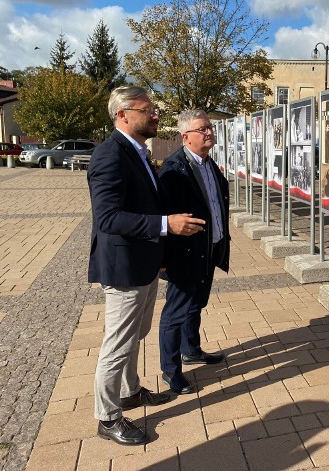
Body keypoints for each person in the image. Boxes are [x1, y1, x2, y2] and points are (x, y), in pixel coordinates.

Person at [88, 86, 206, 445]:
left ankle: (129, 391)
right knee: (117, 343)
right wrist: (166, 225)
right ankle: (107, 418)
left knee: (135, 335)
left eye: (154, 109)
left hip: (145, 265)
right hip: (124, 268)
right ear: (123, 115)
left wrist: (162, 257)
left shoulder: (138, 152)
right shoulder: (110, 155)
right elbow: (108, 217)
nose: (155, 115)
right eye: (147, 110)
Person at [158, 110, 230, 395]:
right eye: (203, 129)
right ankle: (171, 371)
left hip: (209, 248)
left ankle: (192, 350)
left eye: (210, 127)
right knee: (175, 312)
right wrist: (162, 259)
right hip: (185, 253)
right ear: (186, 136)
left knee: (196, 303)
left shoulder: (209, 164)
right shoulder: (174, 169)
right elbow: (163, 215)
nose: (210, 132)